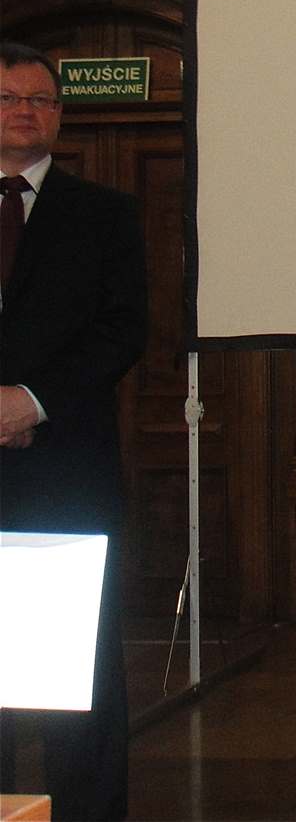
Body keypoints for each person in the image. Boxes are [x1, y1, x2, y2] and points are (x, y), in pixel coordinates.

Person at [0, 42, 148, 820]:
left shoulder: (103, 214)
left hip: (63, 473)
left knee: (71, 675)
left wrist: (31, 401)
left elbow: (122, 329)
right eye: (8, 98)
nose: (25, 111)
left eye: (41, 100)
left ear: (59, 115)